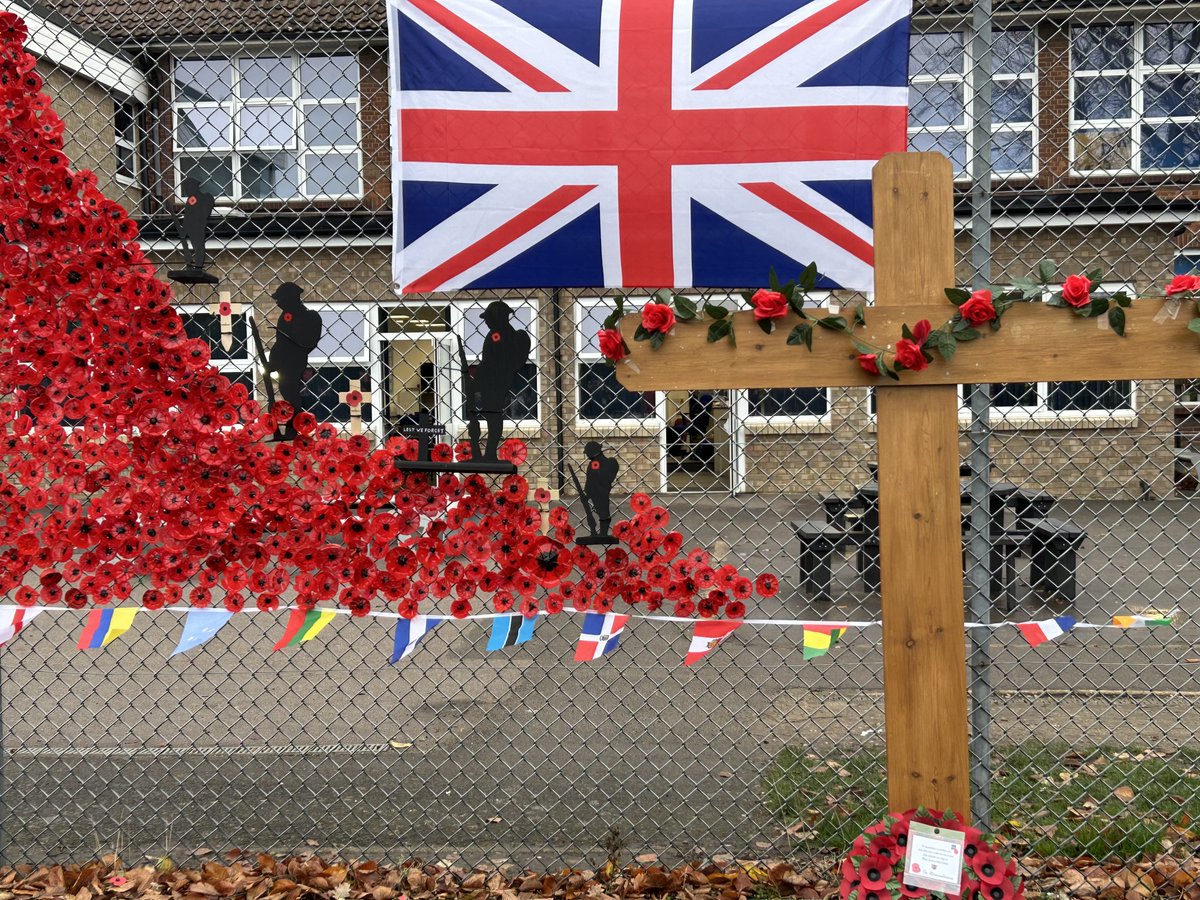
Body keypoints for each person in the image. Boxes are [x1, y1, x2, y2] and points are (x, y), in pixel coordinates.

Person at [462, 301, 531, 462]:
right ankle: (488, 453)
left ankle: (490, 453)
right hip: (494, 382)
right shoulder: (502, 333)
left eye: (488, 318)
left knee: (493, 416)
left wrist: (476, 381)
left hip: (493, 383)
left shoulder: (499, 335)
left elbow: (491, 363)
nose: (486, 322)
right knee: (492, 415)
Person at [268, 282, 322, 440]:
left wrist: (275, 362)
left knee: (290, 393)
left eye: (280, 299)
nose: (278, 303)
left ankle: (294, 427)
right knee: (288, 393)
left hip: (291, 362)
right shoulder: (289, 315)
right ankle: (292, 427)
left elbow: (287, 344)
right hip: (286, 362)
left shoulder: (300, 316)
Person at [176, 176, 215, 274]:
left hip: (198, 227)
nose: (186, 191)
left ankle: (198, 266)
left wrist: (184, 229)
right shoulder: (191, 200)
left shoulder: (201, 198)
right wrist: (184, 230)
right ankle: (195, 265)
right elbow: (187, 216)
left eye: (187, 188)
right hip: (193, 228)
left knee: (198, 247)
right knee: (197, 246)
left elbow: (193, 215)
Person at [583, 441, 619, 538]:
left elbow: (596, 479)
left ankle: (603, 533)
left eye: (587, 453)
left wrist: (587, 494)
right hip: (598, 492)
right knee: (602, 512)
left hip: (600, 492)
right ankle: (602, 533)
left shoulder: (609, 462)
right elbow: (590, 480)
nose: (587, 455)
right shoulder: (594, 464)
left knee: (603, 512)